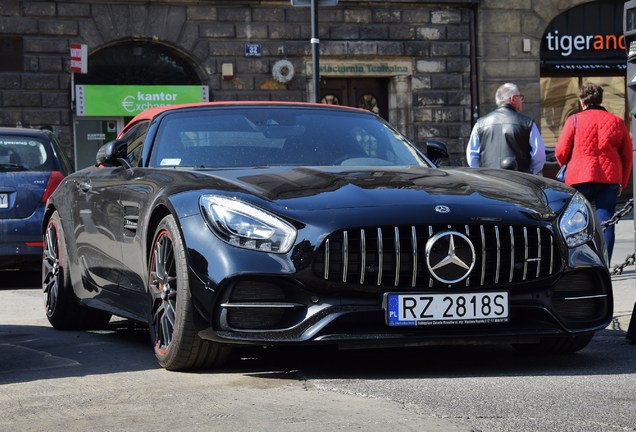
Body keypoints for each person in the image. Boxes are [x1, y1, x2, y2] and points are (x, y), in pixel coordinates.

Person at [555, 82, 632, 263]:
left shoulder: (573, 120)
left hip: (578, 178)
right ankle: (604, 264)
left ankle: (576, 263)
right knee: (606, 223)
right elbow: (627, 156)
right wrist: (623, 182)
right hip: (608, 179)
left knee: (574, 223)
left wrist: (569, 165)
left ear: (582, 102)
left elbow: (560, 151)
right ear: (600, 99)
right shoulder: (617, 122)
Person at [466, 83, 546, 174]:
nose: (522, 100)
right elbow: (539, 156)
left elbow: (472, 156)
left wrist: (482, 174)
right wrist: (530, 172)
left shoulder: (480, 124)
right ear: (512, 99)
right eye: (520, 97)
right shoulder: (527, 123)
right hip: (519, 181)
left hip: (489, 181)